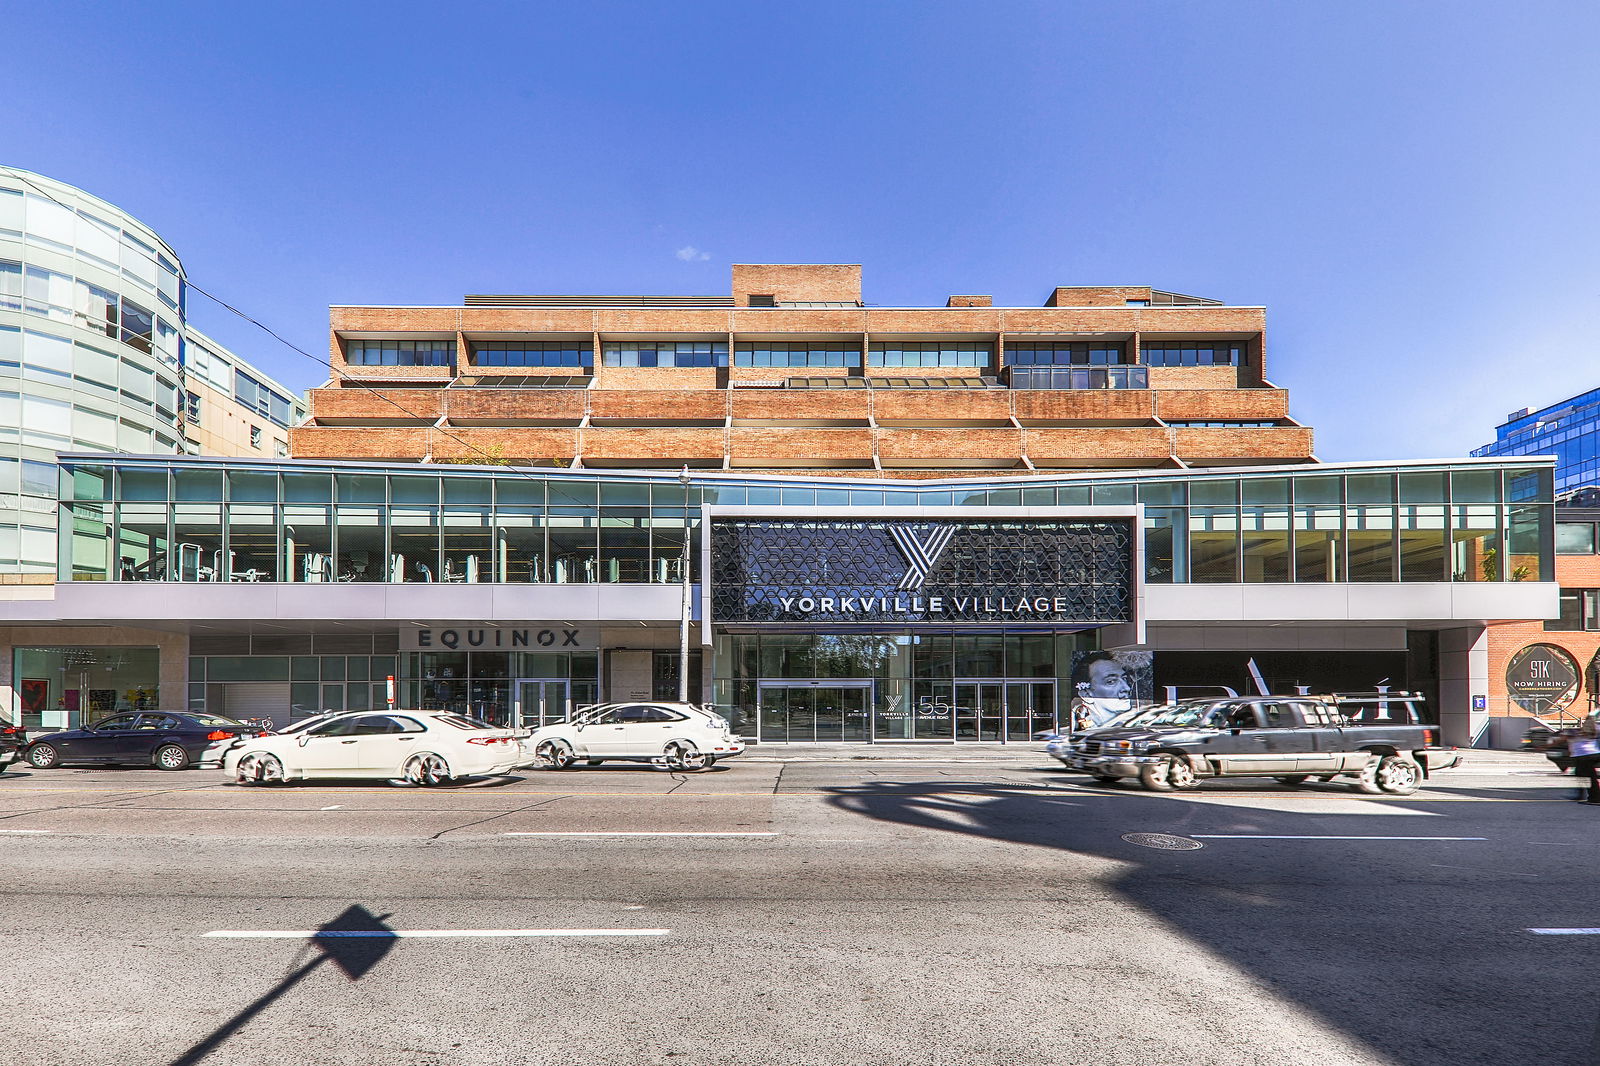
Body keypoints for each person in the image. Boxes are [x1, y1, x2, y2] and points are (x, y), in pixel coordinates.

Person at [1070, 651, 1134, 732]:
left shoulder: (1140, 720)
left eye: (1124, 678)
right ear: (1086, 695)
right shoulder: (1073, 725)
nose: (1127, 688)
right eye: (1111, 681)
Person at [1568, 717, 1600, 804]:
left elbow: (1561, 739)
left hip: (1584, 756)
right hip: (1593, 754)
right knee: (1584, 775)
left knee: (1589, 777)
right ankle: (1584, 795)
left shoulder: (1576, 732)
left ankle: (1595, 799)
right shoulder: (1596, 729)